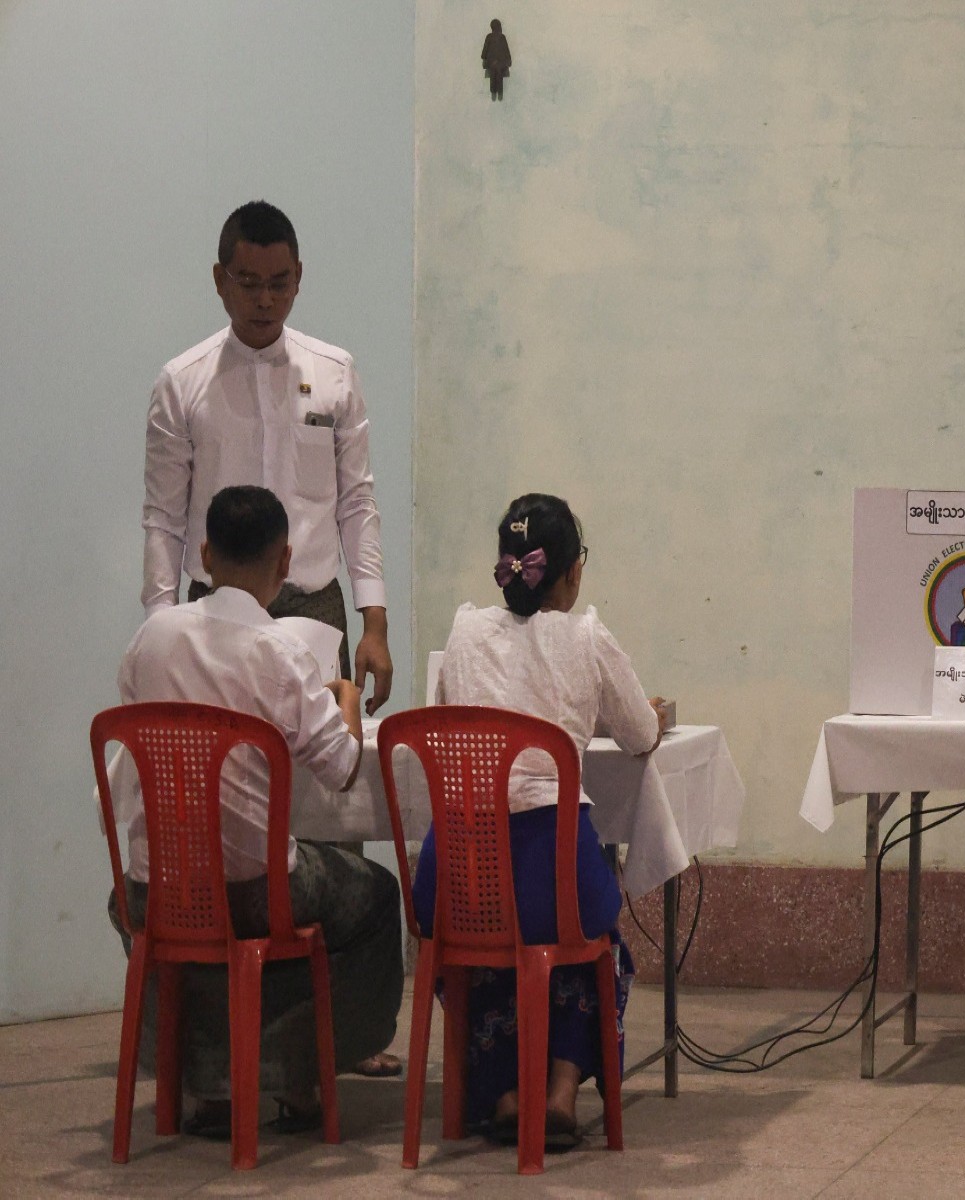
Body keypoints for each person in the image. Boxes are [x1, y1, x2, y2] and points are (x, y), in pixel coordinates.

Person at [108, 486, 405, 1137]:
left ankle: (206, 1082)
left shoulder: (151, 637)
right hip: (252, 893)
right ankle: (302, 1076)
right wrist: (343, 699)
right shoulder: (280, 652)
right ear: (286, 561)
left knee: (163, 917)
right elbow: (340, 768)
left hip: (152, 889)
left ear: (206, 555)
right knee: (372, 896)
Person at [411, 493, 666, 1150]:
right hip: (546, 870)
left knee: (481, 951)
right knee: (594, 940)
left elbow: (447, 714)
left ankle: (501, 1093)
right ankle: (560, 1092)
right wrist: (652, 714)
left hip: (455, 878)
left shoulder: (464, 631)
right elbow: (640, 734)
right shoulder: (585, 636)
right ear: (573, 571)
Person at [142, 200, 393, 717]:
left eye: (280, 283)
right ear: (220, 280)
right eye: (249, 283)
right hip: (212, 606)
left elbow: (356, 502)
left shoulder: (335, 373)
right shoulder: (181, 382)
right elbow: (164, 517)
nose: (265, 300)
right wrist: (159, 627)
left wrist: (375, 622)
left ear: (299, 277)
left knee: (322, 760)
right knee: (219, 751)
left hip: (314, 603)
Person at [482, 19, 512, 100]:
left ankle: (493, 94)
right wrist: (509, 60)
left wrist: (484, 59)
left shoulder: (488, 37)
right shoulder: (502, 37)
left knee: (493, 76)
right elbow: (506, 50)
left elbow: (485, 50)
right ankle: (500, 95)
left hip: (491, 63)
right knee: (499, 76)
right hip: (501, 63)